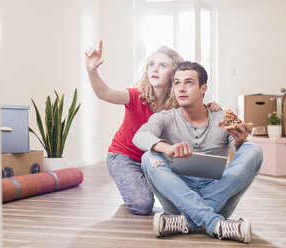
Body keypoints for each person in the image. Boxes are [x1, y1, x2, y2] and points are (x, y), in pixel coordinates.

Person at [84, 41, 221, 216]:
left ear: (174, 74)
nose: (154, 69)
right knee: (142, 205)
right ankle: (134, 191)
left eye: (162, 65)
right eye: (151, 64)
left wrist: (210, 106)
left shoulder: (178, 105)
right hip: (124, 157)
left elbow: (196, 111)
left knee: (188, 197)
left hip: (156, 159)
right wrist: (92, 71)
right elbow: (104, 93)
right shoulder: (135, 95)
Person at [132, 61, 263, 243]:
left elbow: (240, 151)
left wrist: (240, 142)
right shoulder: (165, 117)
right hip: (178, 197)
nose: (181, 88)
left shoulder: (224, 116)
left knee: (253, 149)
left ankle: (187, 222)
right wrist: (167, 148)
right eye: (177, 83)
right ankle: (215, 223)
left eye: (189, 82)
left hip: (218, 195)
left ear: (203, 88)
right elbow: (140, 136)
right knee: (148, 157)